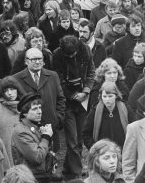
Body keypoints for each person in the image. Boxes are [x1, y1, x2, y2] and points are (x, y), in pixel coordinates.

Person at [51, 35, 93, 180]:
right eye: (68, 55)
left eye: (73, 54)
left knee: (80, 140)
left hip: (83, 99)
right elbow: (59, 81)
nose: (71, 56)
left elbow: (91, 72)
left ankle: (70, 170)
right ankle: (76, 174)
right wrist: (73, 95)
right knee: (72, 140)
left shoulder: (85, 50)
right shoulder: (56, 56)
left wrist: (86, 90)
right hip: (68, 102)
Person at [12, 93, 55, 183]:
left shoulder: (36, 126)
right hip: (30, 178)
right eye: (35, 109)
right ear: (24, 113)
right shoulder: (21, 131)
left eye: (40, 107)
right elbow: (37, 158)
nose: (39, 111)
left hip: (43, 175)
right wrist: (46, 137)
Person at [82, 81, 134, 150]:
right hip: (101, 153)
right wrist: (95, 149)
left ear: (116, 96)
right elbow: (86, 133)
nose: (107, 99)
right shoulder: (95, 110)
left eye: (110, 96)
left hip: (123, 152)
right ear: (100, 96)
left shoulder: (126, 109)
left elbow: (134, 131)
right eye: (104, 96)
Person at [0, 76, 23, 167]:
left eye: (12, 89)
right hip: (5, 152)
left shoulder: (24, 105)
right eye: (6, 90)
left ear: (17, 89)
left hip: (23, 149)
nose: (9, 93)